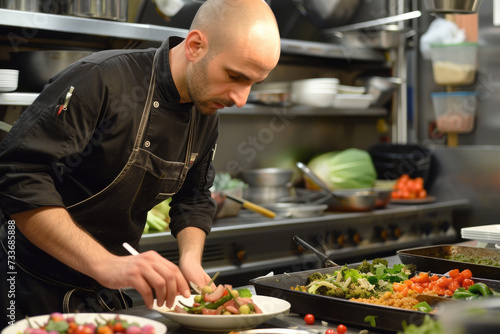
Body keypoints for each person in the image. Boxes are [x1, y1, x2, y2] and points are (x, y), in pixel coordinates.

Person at [0, 0, 280, 327]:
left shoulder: (206, 112)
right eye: (234, 76)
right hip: (25, 285)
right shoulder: (103, 78)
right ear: (195, 46)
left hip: (104, 294)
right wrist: (105, 263)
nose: (241, 99)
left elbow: (194, 195)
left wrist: (190, 262)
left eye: (252, 84)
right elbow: (19, 176)